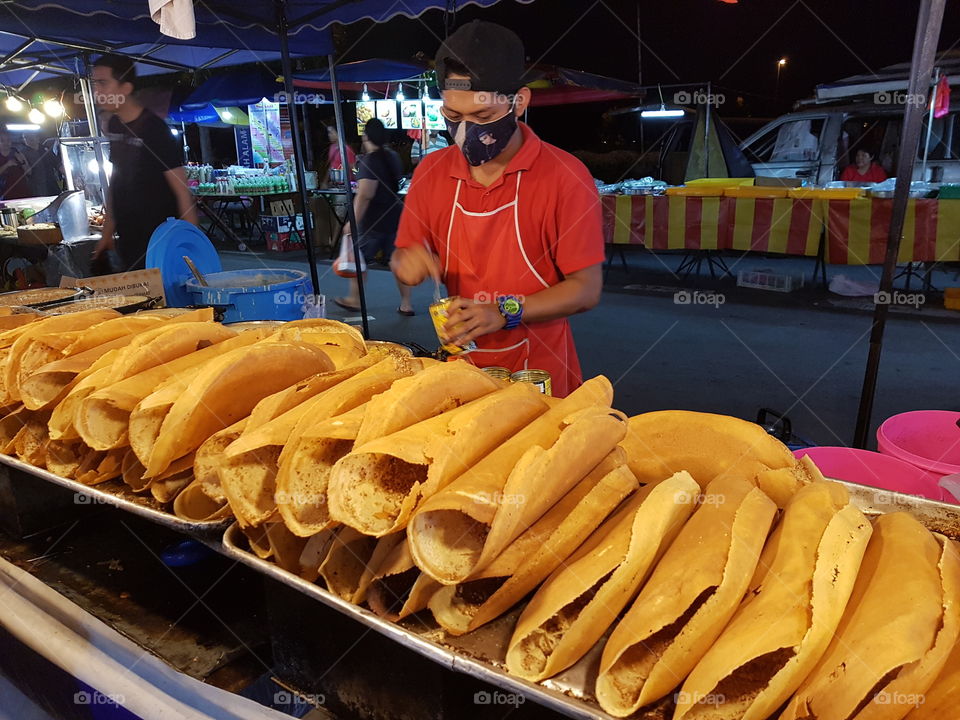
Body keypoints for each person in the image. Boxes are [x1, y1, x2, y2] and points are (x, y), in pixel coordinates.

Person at [390, 21, 604, 397]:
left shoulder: (566, 176)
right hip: (460, 371)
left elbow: (585, 290)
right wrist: (406, 264)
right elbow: (405, 257)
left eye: (484, 118)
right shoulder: (431, 172)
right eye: (454, 118)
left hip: (541, 371)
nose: (466, 132)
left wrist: (503, 311)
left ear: (519, 102)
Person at [91, 54, 197, 271]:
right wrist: (107, 232)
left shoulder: (154, 129)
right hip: (129, 237)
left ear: (125, 88)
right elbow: (117, 179)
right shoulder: (115, 124)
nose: (96, 92)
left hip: (160, 240)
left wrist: (191, 245)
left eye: (102, 83)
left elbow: (182, 191)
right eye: (95, 84)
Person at [335, 118, 413, 315]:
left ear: (366, 136)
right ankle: (406, 303)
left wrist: (352, 222)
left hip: (373, 221)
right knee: (397, 261)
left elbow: (365, 194)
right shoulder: (392, 156)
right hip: (395, 217)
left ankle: (354, 299)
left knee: (358, 260)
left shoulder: (369, 161)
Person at [0, 129, 29, 200]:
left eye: (8, 140)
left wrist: (22, 161)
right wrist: (7, 165)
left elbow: (29, 172)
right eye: (2, 141)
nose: (6, 143)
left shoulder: (16, 152)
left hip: (22, 192)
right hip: (4, 195)